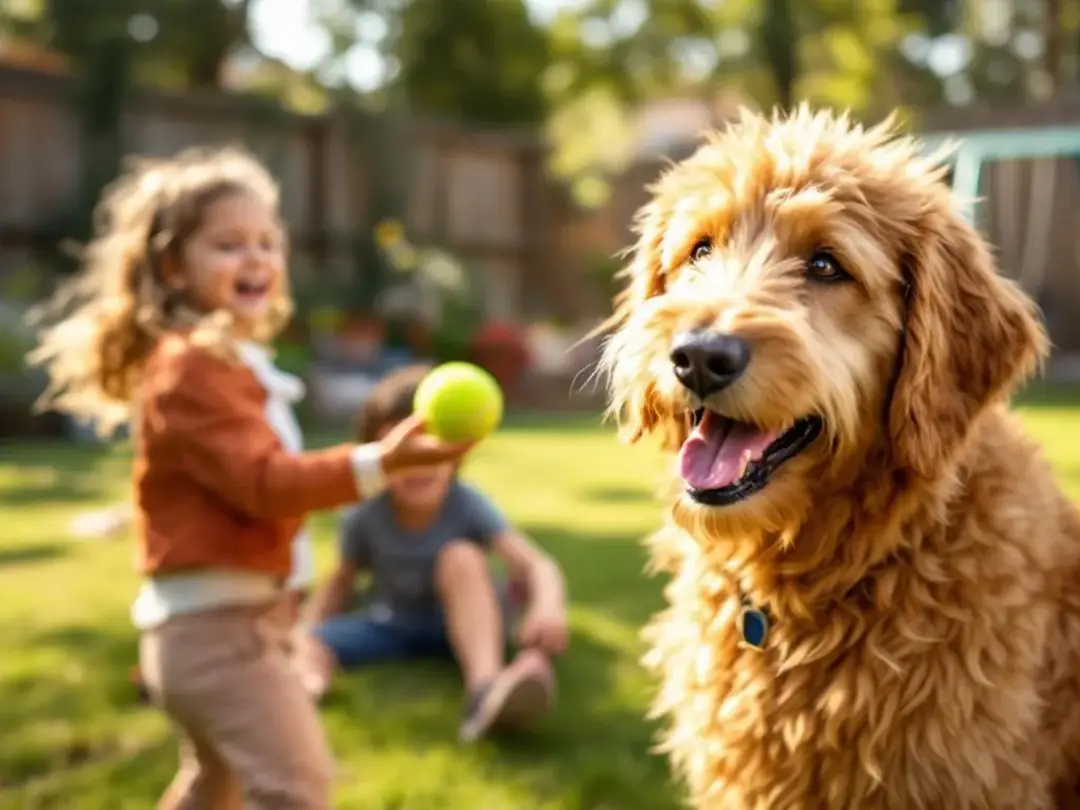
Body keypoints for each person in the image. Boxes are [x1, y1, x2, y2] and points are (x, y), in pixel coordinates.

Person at [27, 145, 470, 810]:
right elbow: (266, 483)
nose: (256, 257)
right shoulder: (191, 368)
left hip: (223, 631)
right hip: (218, 637)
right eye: (228, 244)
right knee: (296, 788)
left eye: (268, 241)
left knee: (215, 786)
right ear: (173, 267)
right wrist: (382, 462)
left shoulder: (228, 362)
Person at [295, 364, 570, 743]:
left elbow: (537, 565)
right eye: (405, 453)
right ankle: (306, 686)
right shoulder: (364, 512)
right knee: (310, 639)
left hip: (469, 627)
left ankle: (484, 689)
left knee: (460, 555)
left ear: (456, 454)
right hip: (395, 625)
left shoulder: (466, 503)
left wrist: (547, 607)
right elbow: (340, 581)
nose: (418, 466)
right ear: (379, 458)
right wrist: (308, 637)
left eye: (431, 450)